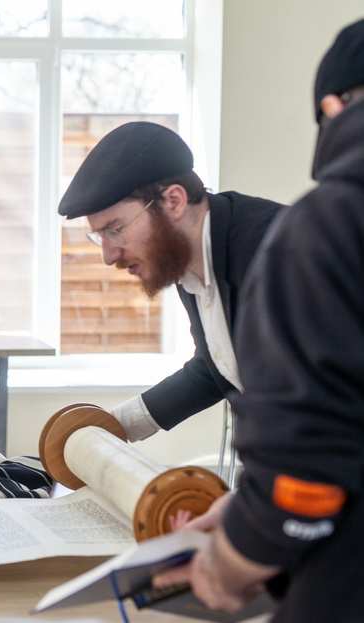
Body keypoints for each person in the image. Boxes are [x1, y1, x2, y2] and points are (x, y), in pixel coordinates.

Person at [155, 18, 364, 622]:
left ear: (332, 108)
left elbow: (310, 457)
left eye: (114, 229)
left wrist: (233, 560)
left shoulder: (324, 226)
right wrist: (250, 503)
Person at [57, 122, 285, 442]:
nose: (108, 256)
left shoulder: (279, 248)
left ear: (173, 201)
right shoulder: (184, 256)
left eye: (116, 230)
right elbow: (215, 366)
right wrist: (113, 427)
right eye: (100, 236)